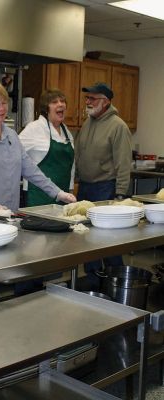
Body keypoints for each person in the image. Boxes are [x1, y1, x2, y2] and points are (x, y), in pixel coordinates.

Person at [0, 79, 76, 306]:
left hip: (7, 219)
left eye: (4, 103)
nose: (1, 108)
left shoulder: (12, 135)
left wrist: (58, 193)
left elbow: (30, 169)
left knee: (0, 273)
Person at [74, 82, 132, 289]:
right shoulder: (88, 122)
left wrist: (120, 196)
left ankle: (118, 283)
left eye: (93, 98)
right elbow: (80, 154)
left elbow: (124, 163)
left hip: (106, 188)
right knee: (87, 239)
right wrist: (77, 181)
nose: (88, 102)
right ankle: (93, 282)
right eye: (87, 98)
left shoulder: (118, 126)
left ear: (106, 102)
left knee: (108, 242)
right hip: (86, 188)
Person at [19, 89, 75, 206]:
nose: (60, 104)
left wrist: (70, 188)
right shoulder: (34, 128)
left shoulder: (67, 133)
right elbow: (13, 152)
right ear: (46, 108)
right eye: (54, 102)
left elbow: (71, 165)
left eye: (63, 101)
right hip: (39, 196)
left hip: (63, 196)